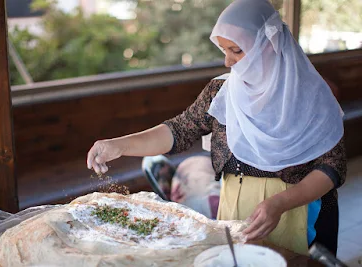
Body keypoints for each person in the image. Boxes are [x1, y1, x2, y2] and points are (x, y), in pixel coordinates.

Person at [87, 0, 346, 256]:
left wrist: (280, 203)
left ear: (268, 46)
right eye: (223, 50)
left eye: (236, 50)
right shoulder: (222, 92)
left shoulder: (310, 96)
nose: (228, 62)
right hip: (237, 207)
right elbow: (178, 131)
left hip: (298, 209)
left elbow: (331, 166)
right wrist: (119, 145)